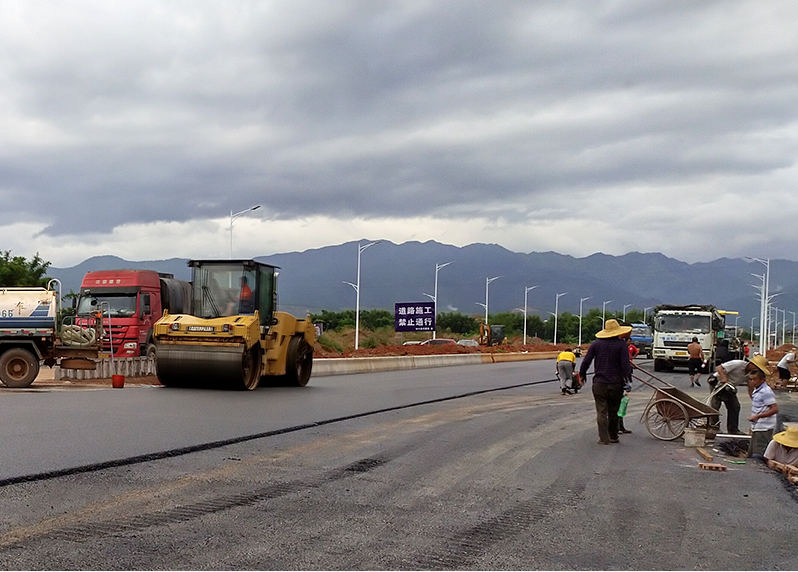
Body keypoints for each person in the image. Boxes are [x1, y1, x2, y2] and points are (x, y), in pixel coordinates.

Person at [579, 319, 633, 445]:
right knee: (613, 411)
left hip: (599, 383)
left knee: (601, 411)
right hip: (616, 383)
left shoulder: (596, 344)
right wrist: (628, 378)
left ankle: (604, 438)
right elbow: (625, 364)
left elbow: (586, 361)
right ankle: (613, 435)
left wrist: (582, 374)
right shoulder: (621, 345)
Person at [709, 354, 770, 435]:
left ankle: (733, 430)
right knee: (715, 405)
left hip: (729, 387)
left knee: (735, 406)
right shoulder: (738, 364)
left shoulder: (750, 374)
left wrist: (753, 398)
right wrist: (724, 378)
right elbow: (719, 367)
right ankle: (714, 428)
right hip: (717, 383)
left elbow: (750, 386)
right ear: (752, 364)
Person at [747, 362, 778, 457]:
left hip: (764, 427)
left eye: (755, 380)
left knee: (758, 454)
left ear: (762, 380)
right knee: (752, 452)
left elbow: (775, 409)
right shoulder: (757, 390)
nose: (753, 382)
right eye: (751, 380)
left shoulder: (766, 392)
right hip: (757, 426)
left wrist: (757, 416)